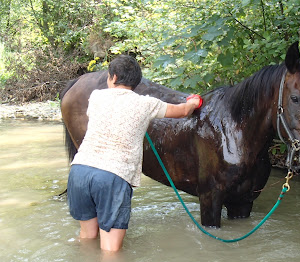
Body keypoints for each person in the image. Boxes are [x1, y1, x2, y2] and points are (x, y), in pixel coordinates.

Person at [67, 55, 202, 252]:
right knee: (111, 250)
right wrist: (193, 102)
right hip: (112, 175)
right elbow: (182, 112)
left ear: (113, 77)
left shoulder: (96, 96)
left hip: (80, 171)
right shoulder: (146, 104)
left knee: (87, 237)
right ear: (136, 82)